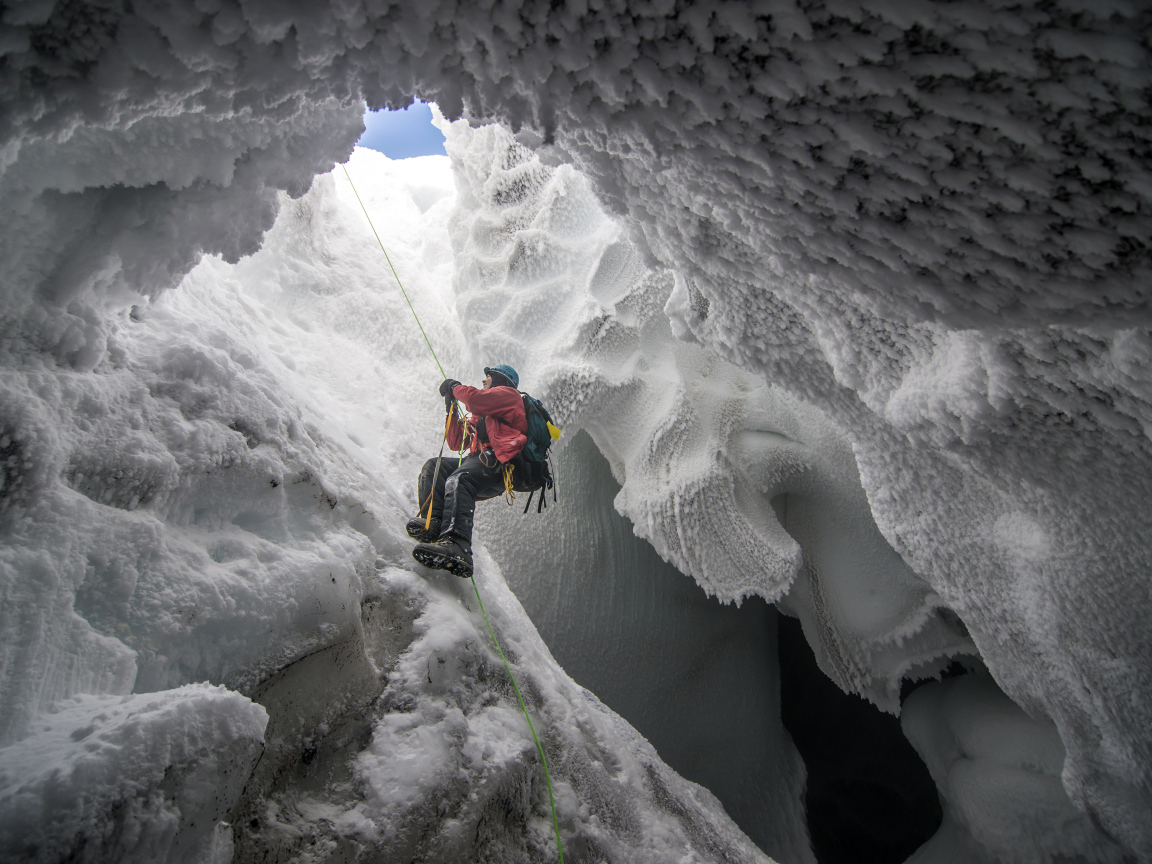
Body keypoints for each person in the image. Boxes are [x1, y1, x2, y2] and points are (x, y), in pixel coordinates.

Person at [407, 364, 527, 577]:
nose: (484, 381)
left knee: (460, 478)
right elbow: (456, 442)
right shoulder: (485, 414)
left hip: (498, 463)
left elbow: (474, 400)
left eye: (488, 377)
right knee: (435, 466)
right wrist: (451, 410)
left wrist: (455, 388)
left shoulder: (510, 396)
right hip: (481, 460)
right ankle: (433, 522)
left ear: (500, 380)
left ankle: (457, 545)